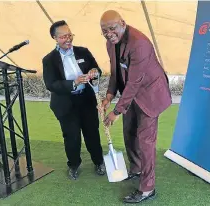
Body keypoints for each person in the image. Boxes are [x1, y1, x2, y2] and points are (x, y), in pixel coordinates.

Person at [100, 10, 172, 203]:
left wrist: (116, 110)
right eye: (104, 30)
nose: (108, 33)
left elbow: (134, 81)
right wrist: (109, 96)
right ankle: (136, 168)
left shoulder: (139, 43)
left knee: (146, 141)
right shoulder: (110, 43)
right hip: (130, 95)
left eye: (112, 28)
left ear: (122, 23)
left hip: (150, 94)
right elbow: (115, 71)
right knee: (129, 132)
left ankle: (148, 188)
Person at [42, 20, 105, 180]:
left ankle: (99, 162)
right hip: (65, 103)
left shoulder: (83, 51)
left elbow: (97, 70)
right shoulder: (49, 60)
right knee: (72, 137)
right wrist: (73, 83)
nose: (68, 39)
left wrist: (94, 72)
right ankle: (74, 165)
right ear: (55, 38)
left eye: (70, 35)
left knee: (92, 133)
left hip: (86, 100)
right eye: (63, 36)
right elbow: (51, 84)